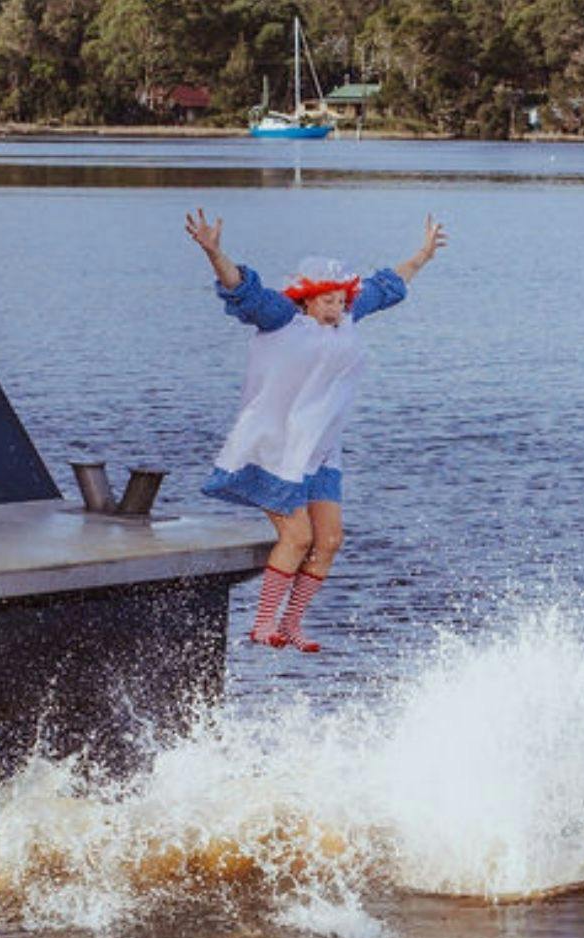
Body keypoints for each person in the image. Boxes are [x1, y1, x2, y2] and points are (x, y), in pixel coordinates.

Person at [186, 209, 446, 651]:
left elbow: (386, 286)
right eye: (328, 301)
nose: (337, 308)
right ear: (307, 297)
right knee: (298, 536)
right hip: (273, 450)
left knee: (329, 540)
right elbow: (240, 288)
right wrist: (214, 253)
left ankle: (291, 624)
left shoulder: (345, 315)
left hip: (319, 453)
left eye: (342, 300)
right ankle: (262, 623)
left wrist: (422, 254)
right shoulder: (280, 318)